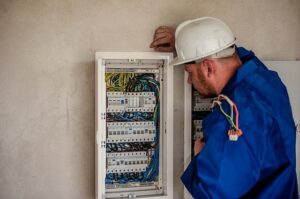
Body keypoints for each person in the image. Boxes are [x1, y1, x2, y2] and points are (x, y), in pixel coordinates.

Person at [150, 17, 298, 198]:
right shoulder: (267, 80)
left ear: (208, 67)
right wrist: (186, 43)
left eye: (189, 72)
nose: (189, 81)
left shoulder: (234, 117)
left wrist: (200, 156)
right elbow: (236, 53)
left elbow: (213, 193)